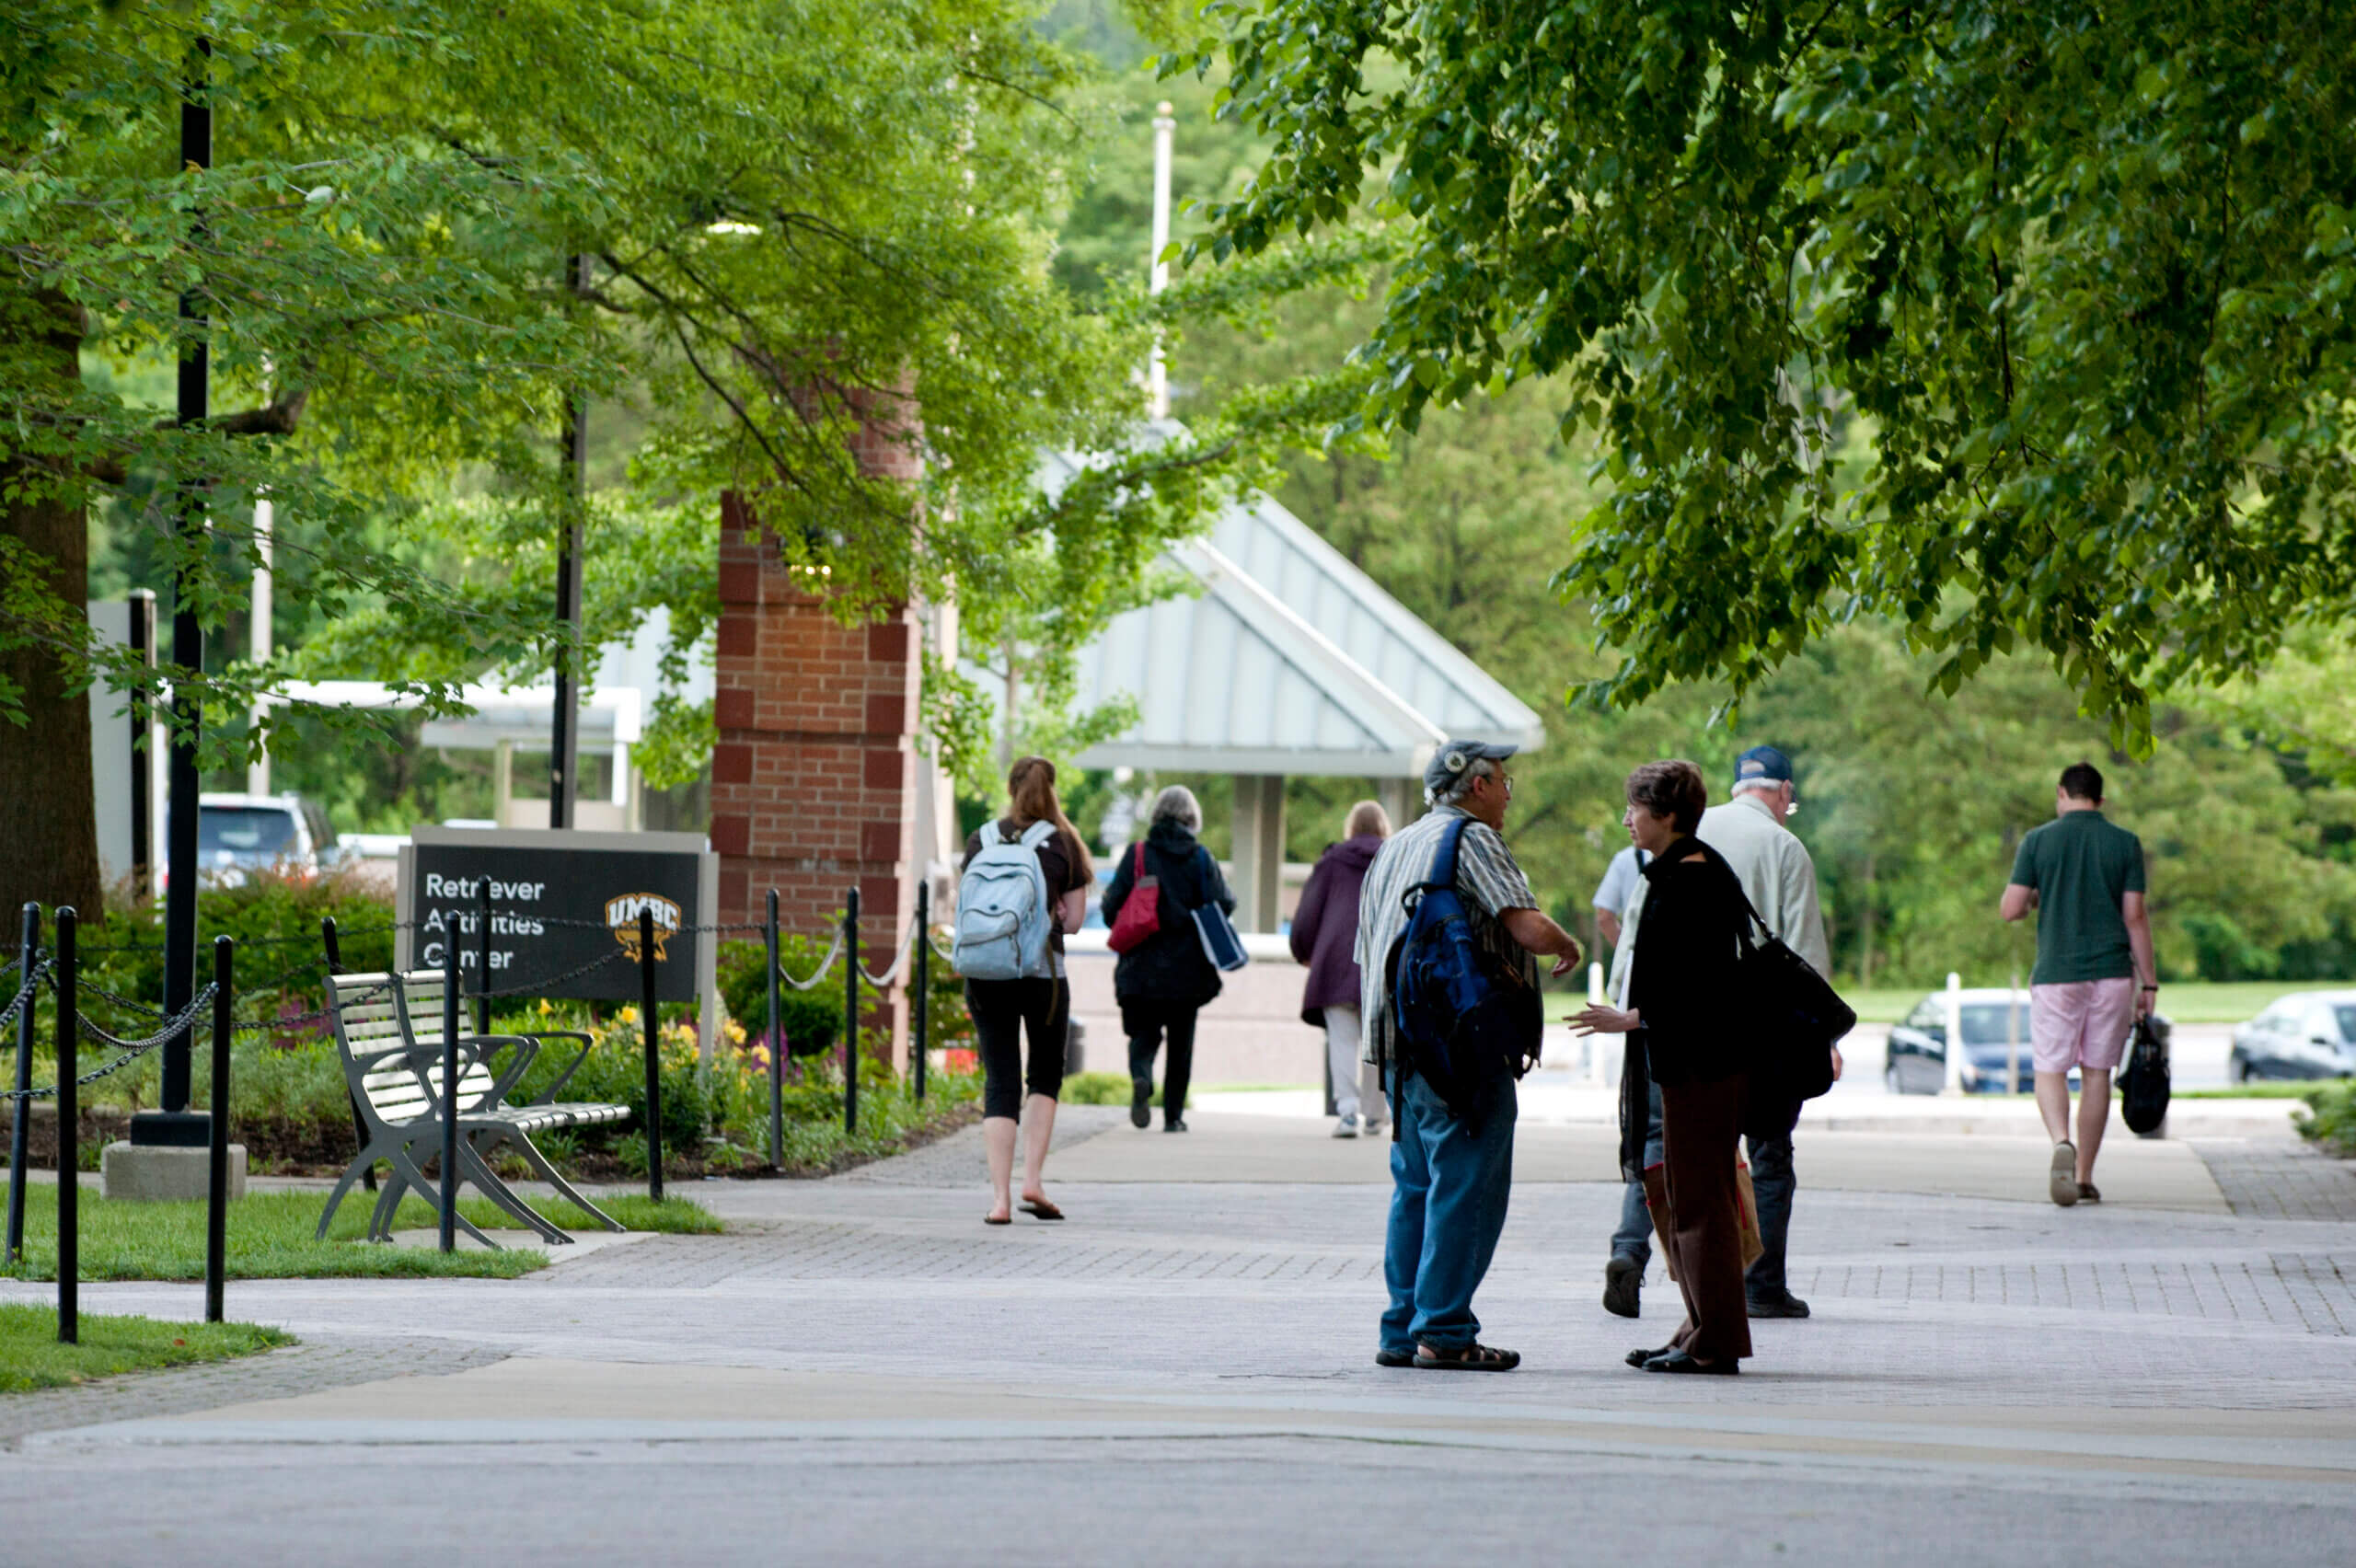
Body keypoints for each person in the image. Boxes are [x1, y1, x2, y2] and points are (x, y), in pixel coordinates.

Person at [1359, 741, 1581, 1371]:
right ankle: (1446, 1330)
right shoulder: (1471, 839)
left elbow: (1364, 955)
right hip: (1459, 1050)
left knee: (1416, 1187)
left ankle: (1402, 1330)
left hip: (1400, 1050)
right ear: (1477, 785)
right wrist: (1567, 944)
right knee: (1466, 1184)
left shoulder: (1394, 848)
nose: (1508, 794)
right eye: (1504, 782)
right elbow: (1525, 925)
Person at [1575, 760, 1755, 1376]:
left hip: (1703, 1064)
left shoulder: (1690, 879)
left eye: (1636, 807)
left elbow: (1698, 983)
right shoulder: (1683, 869)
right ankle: (1698, 1329)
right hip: (1696, 1061)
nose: (1628, 818)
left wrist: (1632, 1019)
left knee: (1700, 1201)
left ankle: (1715, 1342)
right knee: (1686, 1195)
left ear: (1668, 814)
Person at [1698, 744, 1838, 1320]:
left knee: (1699, 1153)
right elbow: (1805, 949)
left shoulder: (1690, 830)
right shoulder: (1784, 845)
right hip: (1763, 1028)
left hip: (1692, 1021)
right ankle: (1762, 1284)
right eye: (1791, 803)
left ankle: (1695, 1279)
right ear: (1782, 793)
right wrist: (1824, 1038)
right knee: (1770, 1155)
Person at [2001, 761, 2154, 1206]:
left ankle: (2060, 1142)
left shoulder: (2038, 841)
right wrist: (2149, 984)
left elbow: (2010, 910)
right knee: (2097, 1072)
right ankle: (2085, 1175)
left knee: (2050, 1067)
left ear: (2061, 794)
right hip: (2111, 975)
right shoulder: (2125, 844)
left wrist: (2033, 897)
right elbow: (2135, 917)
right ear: (2101, 800)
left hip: (2056, 974)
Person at [960, 755, 1091, 1225]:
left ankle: (999, 1199)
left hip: (985, 973)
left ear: (1011, 787)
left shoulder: (982, 838)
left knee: (1000, 1079)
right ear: (1052, 789)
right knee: (1043, 1076)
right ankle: (1032, 1180)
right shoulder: (1064, 843)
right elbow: (1074, 923)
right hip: (1043, 975)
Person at [1101, 785, 1235, 1134]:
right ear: (1192, 818)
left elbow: (1110, 906)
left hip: (1141, 965)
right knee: (1181, 1043)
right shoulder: (1202, 858)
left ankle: (1142, 1077)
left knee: (1142, 1035)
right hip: (1188, 970)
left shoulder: (1138, 854)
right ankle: (1173, 1116)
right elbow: (1225, 902)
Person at [1290, 800, 1392, 1138]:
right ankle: (1375, 1116)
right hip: (1381, 960)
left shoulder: (1332, 861)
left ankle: (1347, 1113)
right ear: (1382, 827)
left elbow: (1307, 914)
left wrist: (1304, 951)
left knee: (1343, 1041)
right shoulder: (1394, 856)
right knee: (1378, 1042)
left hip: (1335, 962)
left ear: (1351, 827)